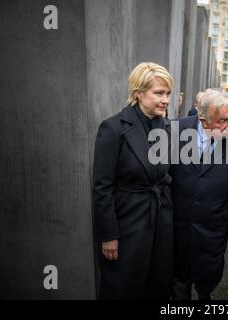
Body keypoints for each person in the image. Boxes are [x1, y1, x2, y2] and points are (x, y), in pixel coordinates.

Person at [92, 62, 174, 299]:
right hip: (127, 225)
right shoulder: (113, 128)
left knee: (157, 287)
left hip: (160, 223)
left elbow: (167, 177)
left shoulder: (166, 127)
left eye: (168, 93)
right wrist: (108, 235)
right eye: (159, 93)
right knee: (122, 289)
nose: (166, 100)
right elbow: (102, 187)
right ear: (138, 93)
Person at [170, 88, 228, 300]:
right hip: (175, 223)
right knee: (178, 280)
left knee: (209, 275)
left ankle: (205, 294)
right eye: (223, 121)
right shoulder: (172, 130)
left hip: (213, 225)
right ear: (203, 120)